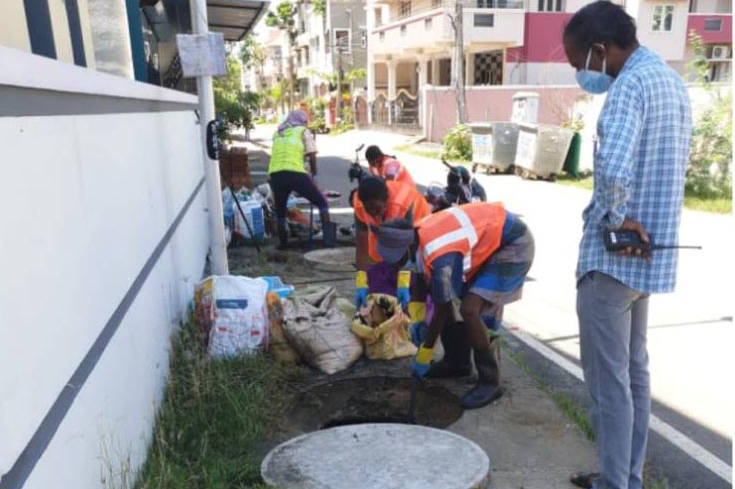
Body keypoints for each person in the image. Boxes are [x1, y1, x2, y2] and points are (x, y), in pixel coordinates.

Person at [562, 3, 692, 488]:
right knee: (634, 375)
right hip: (650, 259)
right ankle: (625, 477)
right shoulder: (668, 82)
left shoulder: (628, 88)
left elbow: (614, 170)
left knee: (608, 385)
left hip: (613, 261)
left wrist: (618, 222)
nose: (581, 73)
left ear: (600, 50)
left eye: (579, 63)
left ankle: (616, 483)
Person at [372, 203, 534, 409]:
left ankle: (490, 381)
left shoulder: (439, 254)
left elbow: (442, 306)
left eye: (398, 261)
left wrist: (427, 349)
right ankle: (457, 363)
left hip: (512, 243)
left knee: (471, 309)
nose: (397, 267)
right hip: (486, 241)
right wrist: (418, 320)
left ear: (408, 248)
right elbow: (421, 283)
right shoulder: (416, 237)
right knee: (445, 294)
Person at [352, 177, 432, 329]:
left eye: (377, 209)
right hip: (389, 232)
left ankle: (416, 319)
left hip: (418, 230)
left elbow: (408, 250)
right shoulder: (360, 204)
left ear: (386, 200)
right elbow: (362, 247)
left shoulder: (402, 206)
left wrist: (403, 283)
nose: (374, 214)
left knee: (416, 279)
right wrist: (361, 281)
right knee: (377, 286)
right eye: (370, 210)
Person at [268, 110, 335, 249]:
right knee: (322, 202)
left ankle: (283, 245)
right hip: (294, 172)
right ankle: (328, 241)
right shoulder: (303, 131)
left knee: (280, 210)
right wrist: (314, 173)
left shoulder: (278, 132)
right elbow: (311, 154)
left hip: (275, 174)